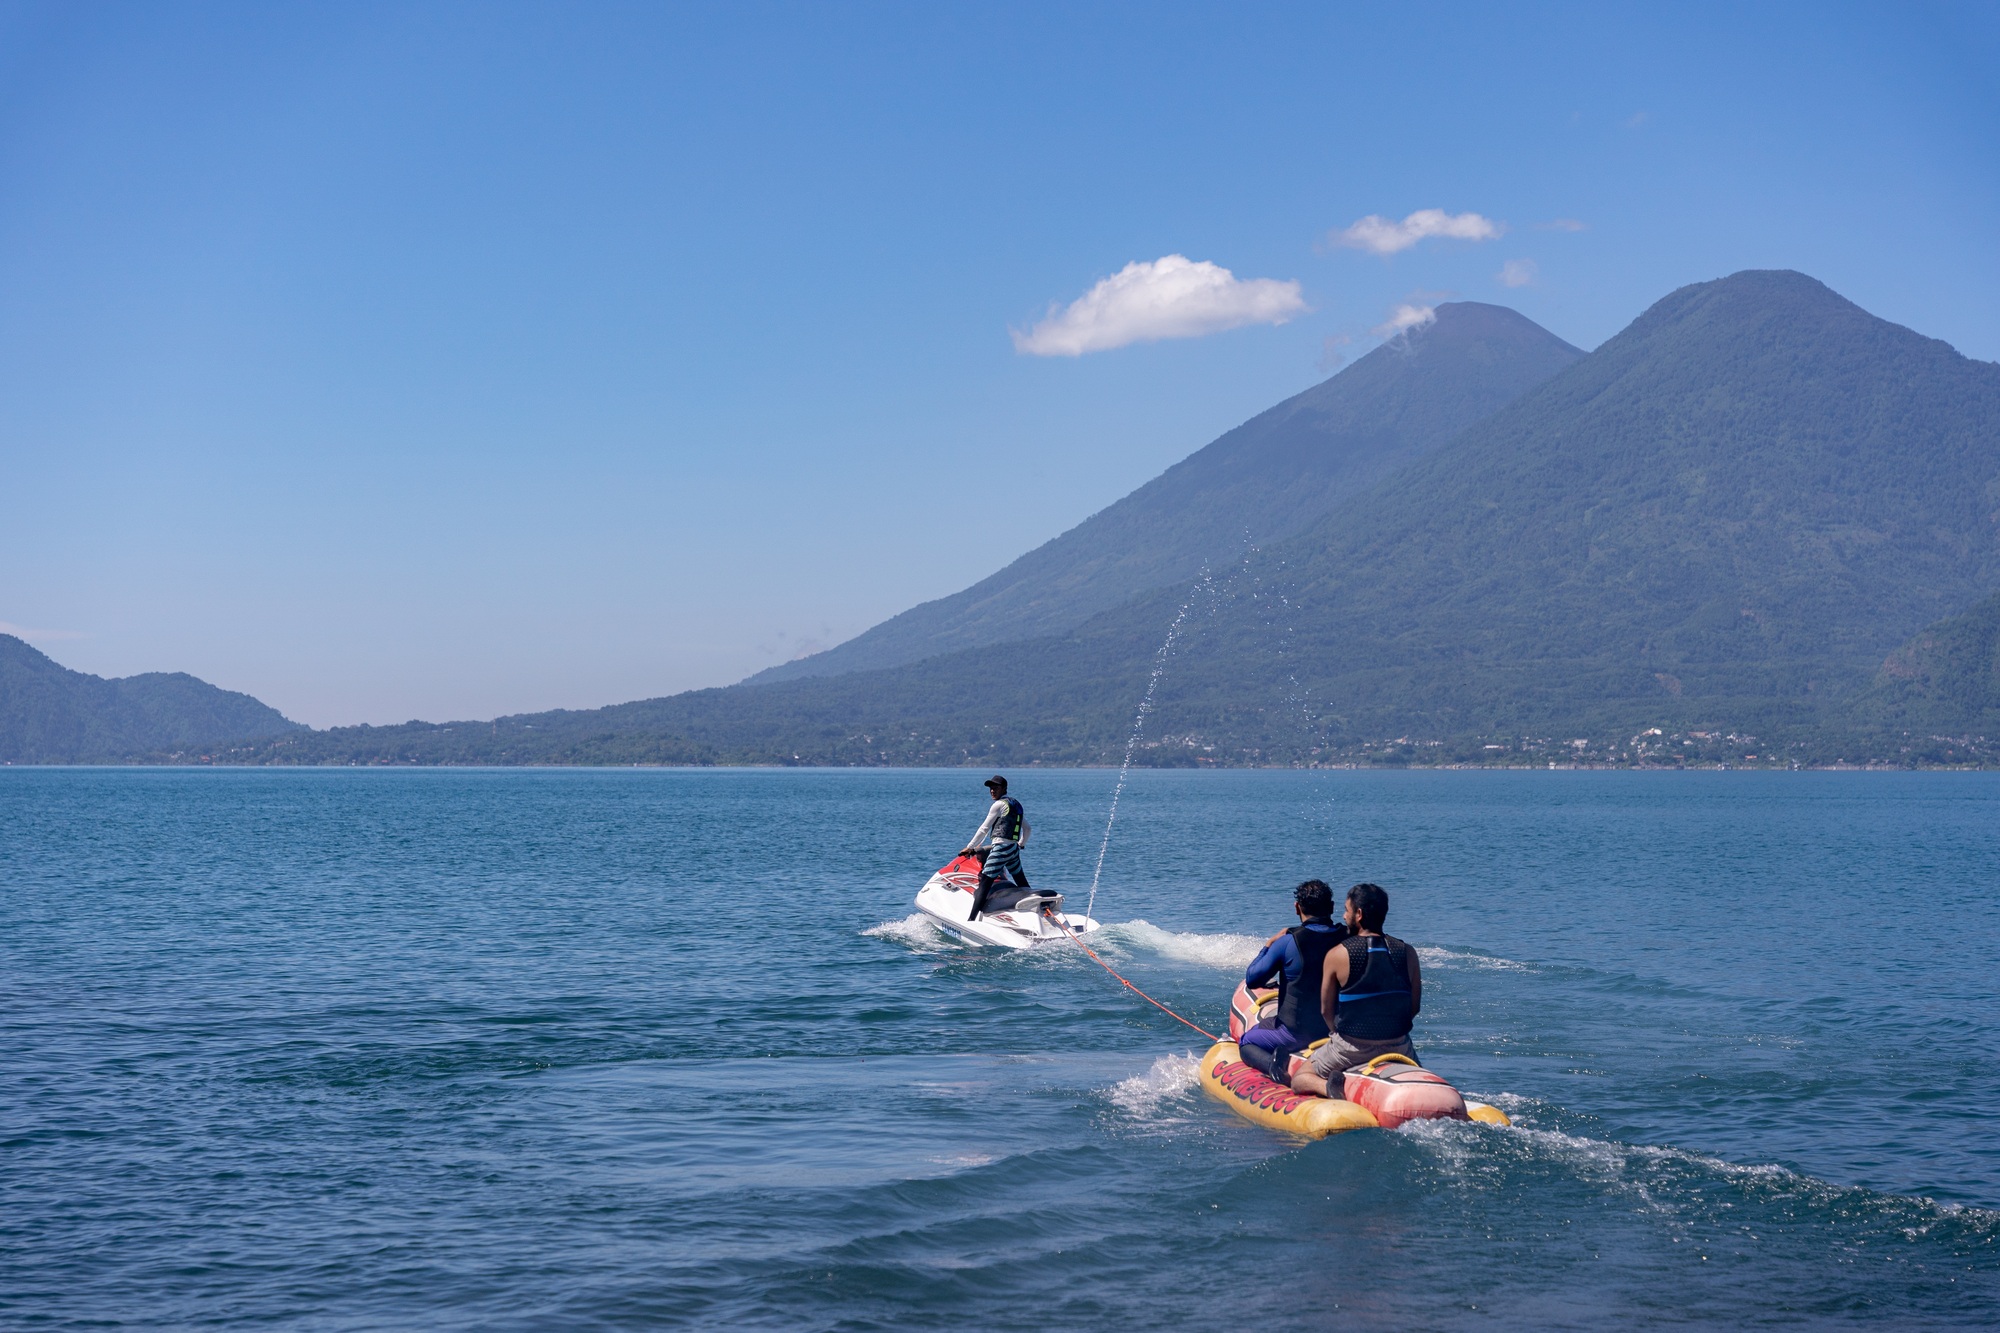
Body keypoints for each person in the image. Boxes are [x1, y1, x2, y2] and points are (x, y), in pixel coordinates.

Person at [1290, 882, 1422, 1097]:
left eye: (1347, 910)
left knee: (1300, 1079)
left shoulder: (1337, 954)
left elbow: (1326, 1010)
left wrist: (1339, 1036)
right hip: (1398, 1045)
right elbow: (1414, 1007)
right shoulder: (1408, 952)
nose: (1343, 916)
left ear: (1358, 914)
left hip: (1351, 1048)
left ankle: (1330, 1089)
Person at [1235, 880, 1348, 1081]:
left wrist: (1269, 945)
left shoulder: (1288, 942)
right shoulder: (1350, 939)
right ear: (1331, 907)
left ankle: (1275, 1069)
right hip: (1341, 1031)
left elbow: (1253, 979)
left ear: (1297, 908)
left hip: (1296, 1034)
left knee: (1246, 1042)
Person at [960, 775, 1030, 920]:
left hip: (1001, 848)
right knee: (1021, 881)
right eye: (991, 788)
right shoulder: (1015, 804)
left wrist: (969, 847)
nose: (992, 791)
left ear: (1004, 788)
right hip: (1013, 850)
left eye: (996, 788)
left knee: (984, 882)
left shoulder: (998, 805)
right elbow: (1028, 829)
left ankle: (971, 920)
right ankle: (1039, 909)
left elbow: (984, 829)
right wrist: (1021, 844)